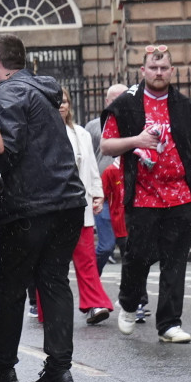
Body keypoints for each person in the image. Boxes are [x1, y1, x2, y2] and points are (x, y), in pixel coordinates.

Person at [0, 34, 86, 382]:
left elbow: (6, 150)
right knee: (54, 282)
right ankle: (59, 369)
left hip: (30, 206)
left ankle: (1, 368)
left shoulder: (8, 94)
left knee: (12, 287)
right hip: (68, 200)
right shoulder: (43, 91)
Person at [100, 45, 191, 343]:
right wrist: (138, 139)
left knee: (175, 261)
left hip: (180, 194)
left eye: (164, 68)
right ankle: (128, 302)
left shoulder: (185, 106)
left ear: (172, 71)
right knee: (137, 256)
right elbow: (107, 146)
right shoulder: (125, 105)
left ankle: (169, 324)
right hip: (143, 195)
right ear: (143, 70)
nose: (158, 73)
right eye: (153, 68)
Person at [59, 87, 114, 325]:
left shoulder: (80, 133)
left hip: (79, 205)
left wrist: (98, 194)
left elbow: (91, 166)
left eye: (65, 101)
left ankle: (95, 304)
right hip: (52, 208)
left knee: (86, 258)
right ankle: (45, 308)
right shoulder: (40, 131)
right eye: (57, 101)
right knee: (53, 264)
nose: (61, 105)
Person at [86, 84, 127, 272]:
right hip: (103, 194)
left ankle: (131, 293)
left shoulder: (135, 124)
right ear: (107, 102)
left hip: (126, 194)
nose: (119, 103)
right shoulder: (94, 126)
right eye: (114, 99)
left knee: (130, 247)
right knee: (106, 246)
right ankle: (92, 279)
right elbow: (88, 158)